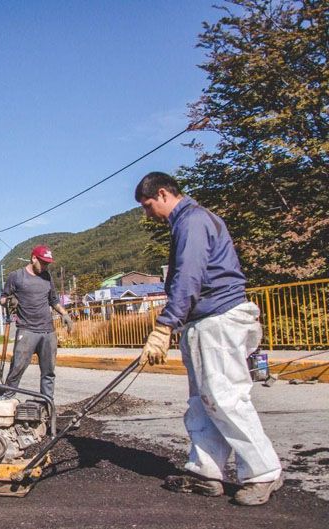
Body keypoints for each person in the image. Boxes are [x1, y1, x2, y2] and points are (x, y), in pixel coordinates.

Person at [135, 171, 282, 506]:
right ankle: (206, 470)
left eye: (147, 206)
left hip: (218, 319)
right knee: (203, 401)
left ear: (162, 194)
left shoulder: (193, 222)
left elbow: (189, 276)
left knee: (225, 397)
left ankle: (263, 472)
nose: (147, 214)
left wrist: (164, 326)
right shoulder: (187, 222)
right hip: (203, 322)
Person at [0, 245, 73, 400]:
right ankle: (7, 399)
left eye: (47, 263)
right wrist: (9, 301)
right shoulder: (17, 276)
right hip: (27, 330)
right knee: (17, 368)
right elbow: (3, 298)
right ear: (33, 258)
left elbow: (53, 300)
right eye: (43, 262)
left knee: (49, 371)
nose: (45, 266)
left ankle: (47, 402)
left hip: (48, 332)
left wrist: (65, 314)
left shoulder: (47, 277)